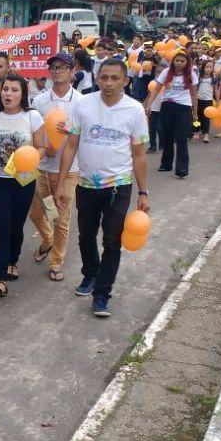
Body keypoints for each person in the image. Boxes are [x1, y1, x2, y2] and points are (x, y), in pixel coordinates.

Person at [56, 58, 150, 317]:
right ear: (96, 79)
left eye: (115, 78)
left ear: (125, 81)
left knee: (111, 242)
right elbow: (71, 146)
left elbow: (139, 154)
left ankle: (102, 294)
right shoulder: (83, 105)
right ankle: (91, 274)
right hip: (86, 183)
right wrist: (62, 183)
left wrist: (143, 192)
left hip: (118, 185)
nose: (108, 83)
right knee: (85, 236)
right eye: (103, 77)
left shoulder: (134, 110)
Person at [0, 73, 46, 297]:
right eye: (5, 89)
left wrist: (25, 157)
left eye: (14, 90)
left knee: (16, 225)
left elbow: (41, 148)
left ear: (23, 94)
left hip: (23, 179)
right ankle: (1, 279)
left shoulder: (33, 117)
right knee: (1, 228)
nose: (8, 93)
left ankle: (12, 260)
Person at [28, 53, 81, 281]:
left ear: (72, 71)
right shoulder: (39, 101)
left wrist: (69, 135)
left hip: (69, 171)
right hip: (41, 167)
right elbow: (31, 132)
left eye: (62, 67)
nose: (57, 71)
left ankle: (56, 261)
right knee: (37, 212)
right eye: (53, 67)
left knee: (61, 218)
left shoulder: (81, 102)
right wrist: (42, 145)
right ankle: (47, 239)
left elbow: (85, 135)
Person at [144, 49, 198, 178]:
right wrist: (149, 105)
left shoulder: (191, 74)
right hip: (167, 106)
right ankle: (166, 164)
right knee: (166, 136)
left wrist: (195, 112)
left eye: (182, 61)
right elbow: (156, 89)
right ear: (173, 61)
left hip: (184, 107)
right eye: (177, 60)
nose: (179, 63)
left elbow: (194, 94)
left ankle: (182, 168)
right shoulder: (166, 72)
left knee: (181, 137)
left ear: (187, 62)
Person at [195, 61, 216, 143]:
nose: (208, 69)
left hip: (208, 100)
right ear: (203, 67)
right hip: (199, 100)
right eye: (207, 67)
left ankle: (206, 134)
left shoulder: (213, 77)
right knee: (197, 117)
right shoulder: (199, 77)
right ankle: (196, 131)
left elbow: (216, 89)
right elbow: (195, 88)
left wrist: (218, 100)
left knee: (207, 118)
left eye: (210, 67)